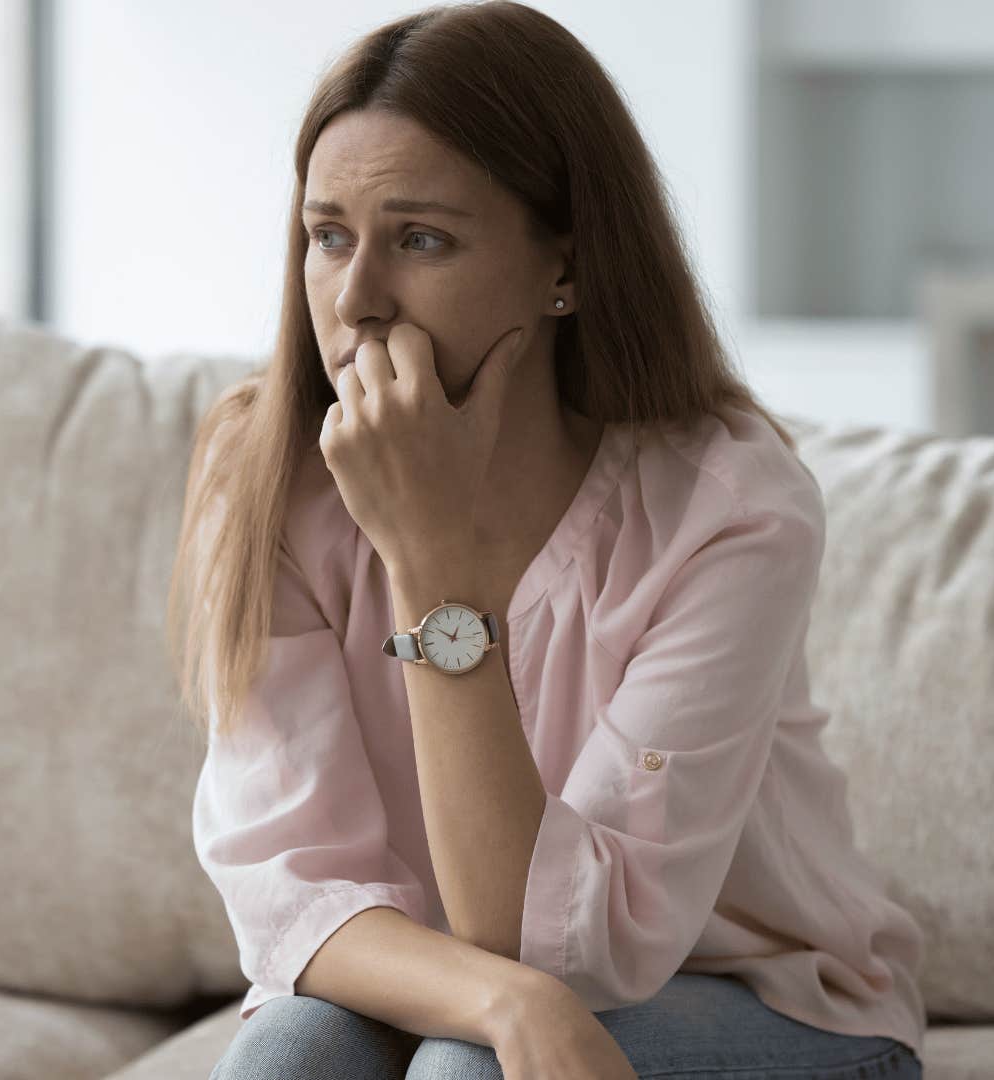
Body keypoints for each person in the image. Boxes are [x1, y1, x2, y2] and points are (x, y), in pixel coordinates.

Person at [166, 3, 926, 1077]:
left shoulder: (729, 509)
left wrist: (431, 565)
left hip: (760, 998)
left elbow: (578, 947)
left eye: (421, 239)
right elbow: (292, 888)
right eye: (328, 234)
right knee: (290, 1057)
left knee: (466, 1075)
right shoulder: (264, 477)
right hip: (450, 988)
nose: (357, 298)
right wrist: (505, 1005)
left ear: (563, 265)